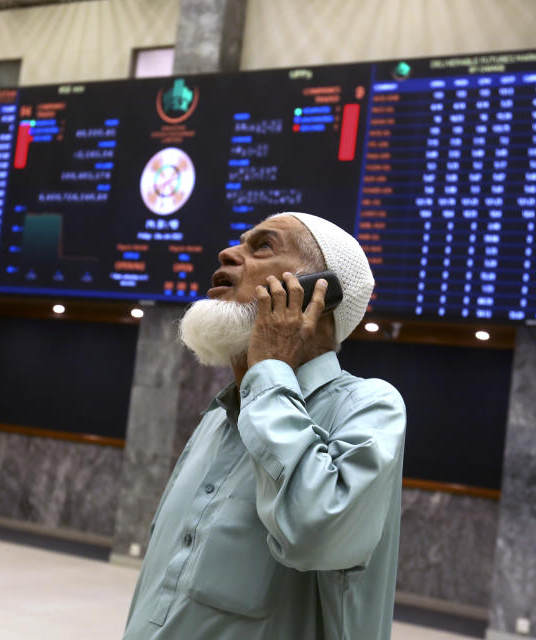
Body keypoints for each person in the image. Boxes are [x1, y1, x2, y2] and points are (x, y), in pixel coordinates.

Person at [122, 211, 407, 640]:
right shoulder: (221, 416)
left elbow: (314, 533)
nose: (227, 252)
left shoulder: (369, 406)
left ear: (317, 295)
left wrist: (271, 366)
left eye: (262, 246)